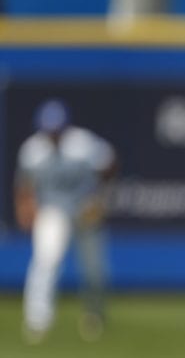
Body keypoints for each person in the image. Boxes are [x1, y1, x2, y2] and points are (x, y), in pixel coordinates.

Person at [15, 98, 117, 343]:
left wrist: (101, 198)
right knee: (45, 261)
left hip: (84, 207)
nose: (53, 135)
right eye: (49, 130)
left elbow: (109, 163)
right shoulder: (33, 150)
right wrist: (25, 207)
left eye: (57, 129)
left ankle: (94, 314)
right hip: (53, 209)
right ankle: (38, 318)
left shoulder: (82, 143)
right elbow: (24, 184)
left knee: (94, 269)